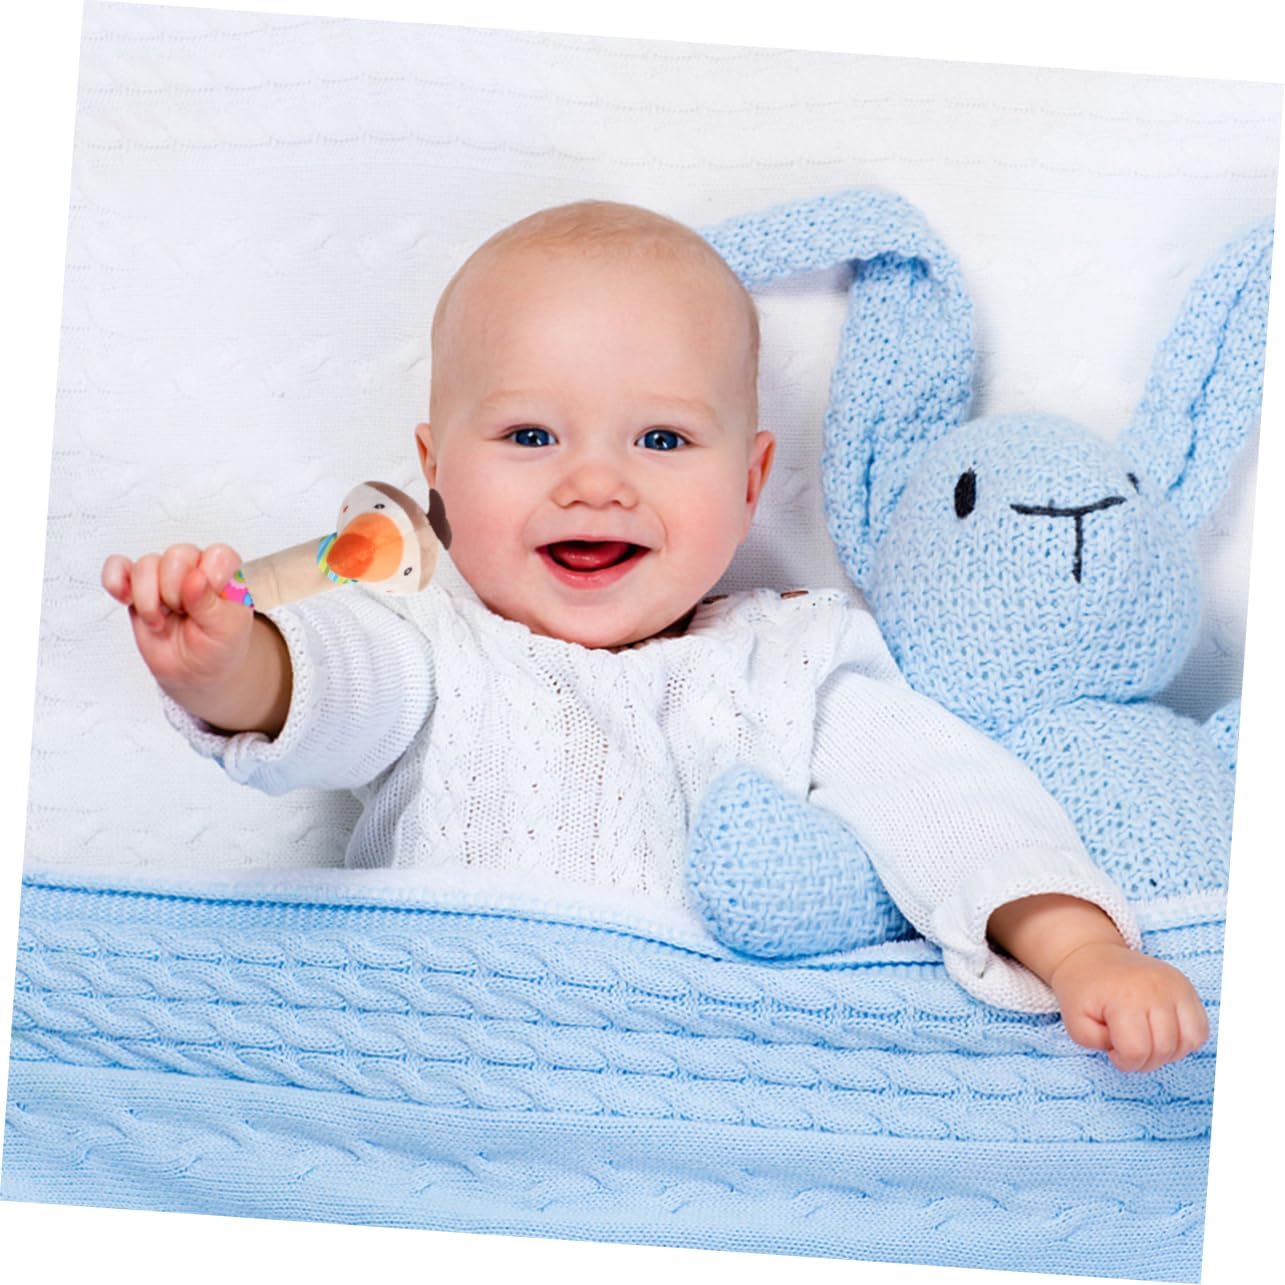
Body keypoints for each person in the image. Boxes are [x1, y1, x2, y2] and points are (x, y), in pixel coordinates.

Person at [101, 200, 1207, 1074]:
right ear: (434, 467)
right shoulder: (428, 636)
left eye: (663, 439)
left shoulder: (788, 662)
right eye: (530, 434)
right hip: (437, 1056)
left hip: (691, 1073)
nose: (595, 482)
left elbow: (945, 800)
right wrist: (231, 664)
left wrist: (1079, 949)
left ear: (751, 481)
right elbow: (330, 692)